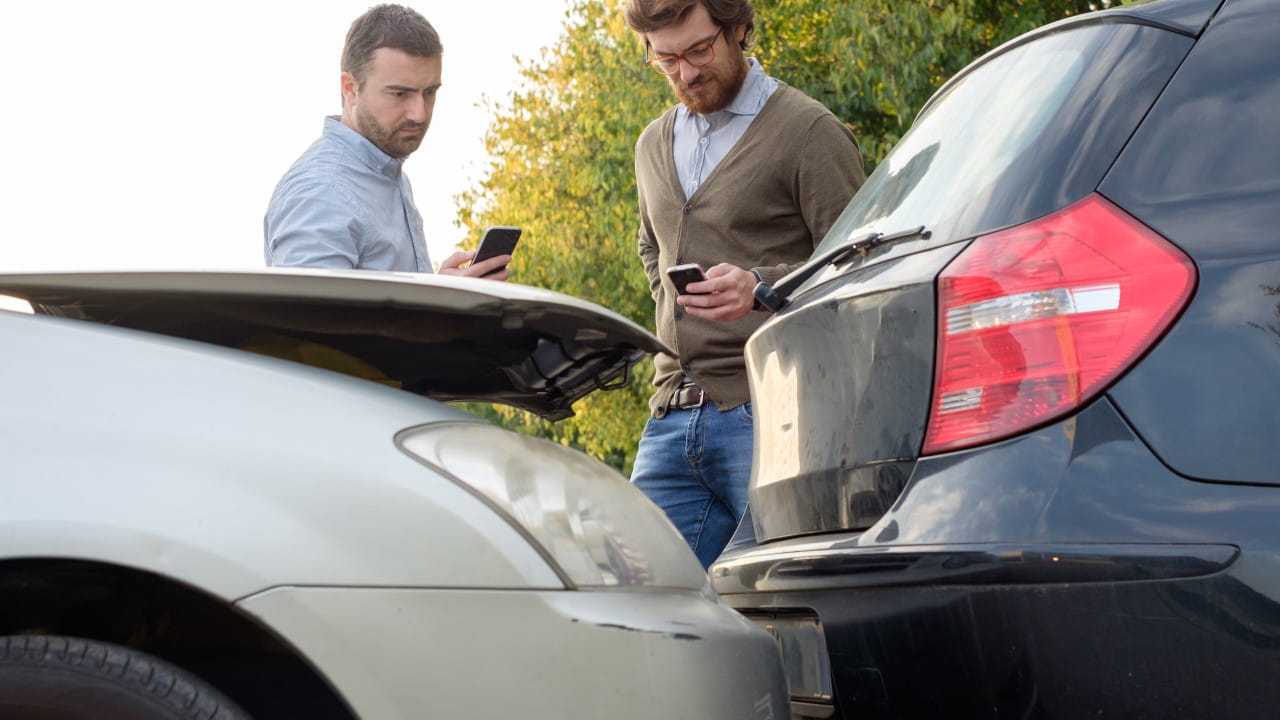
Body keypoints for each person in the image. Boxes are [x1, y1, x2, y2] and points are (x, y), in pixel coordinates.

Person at [625, 0, 865, 568]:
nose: (685, 73)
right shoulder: (650, 146)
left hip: (775, 414)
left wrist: (760, 288)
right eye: (667, 60)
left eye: (699, 50)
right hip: (669, 417)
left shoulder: (809, 131)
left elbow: (859, 265)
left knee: (787, 607)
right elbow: (652, 249)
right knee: (642, 604)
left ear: (737, 30)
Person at [264, 4, 508, 279]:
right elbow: (312, 320)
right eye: (399, 94)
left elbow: (383, 313)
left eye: (429, 92)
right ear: (350, 89)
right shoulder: (323, 191)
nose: (420, 113)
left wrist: (444, 292)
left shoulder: (386, 173)